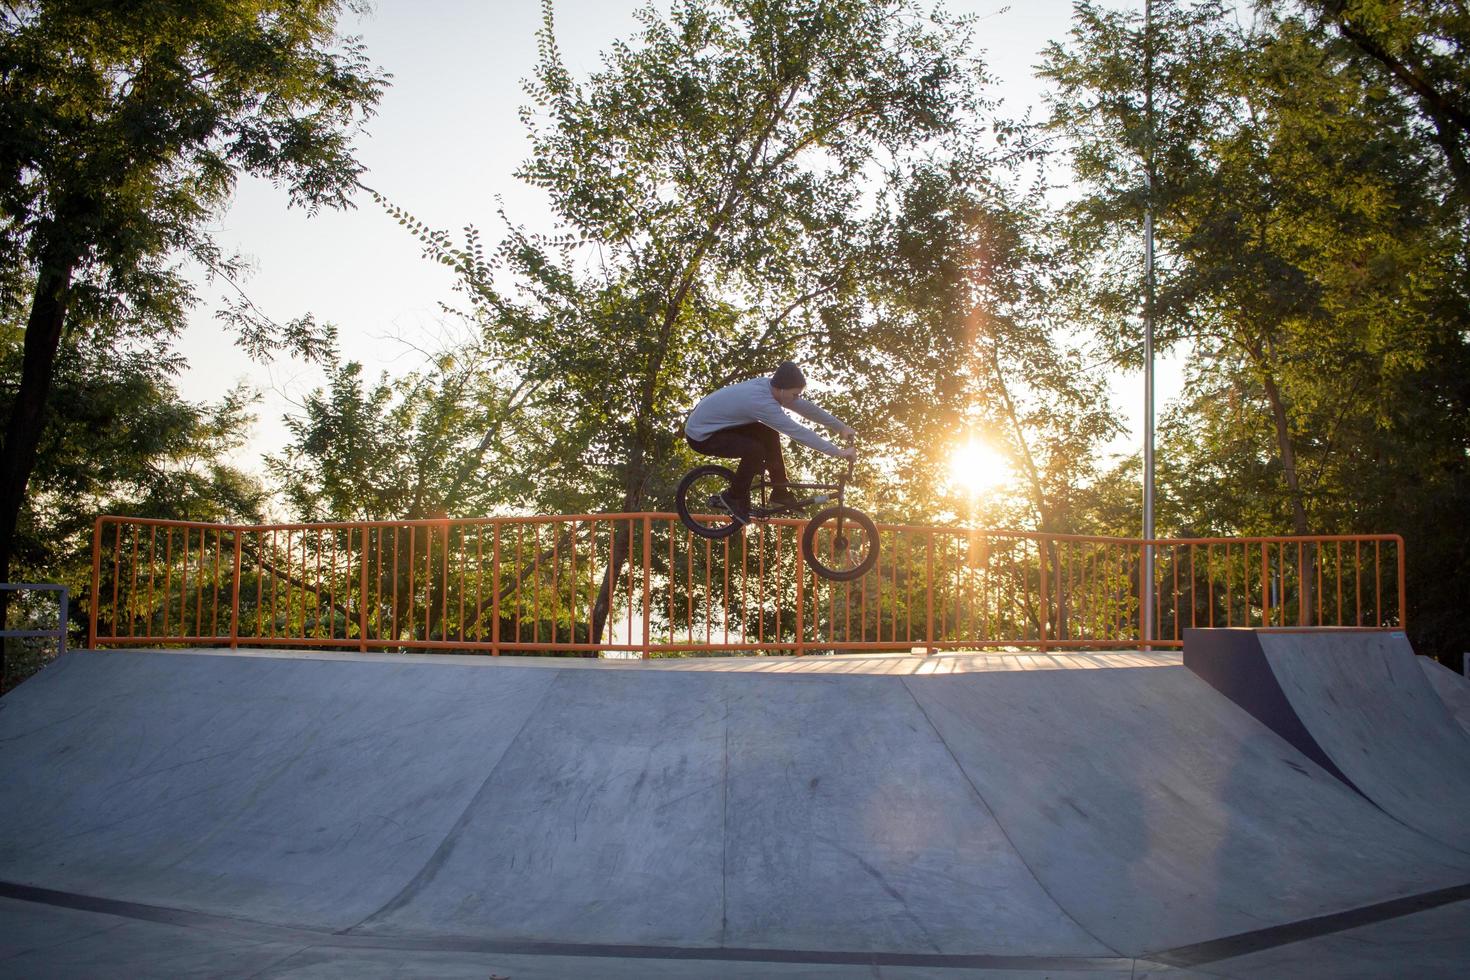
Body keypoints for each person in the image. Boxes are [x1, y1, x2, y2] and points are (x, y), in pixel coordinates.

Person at [684, 361, 856, 523]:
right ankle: (734, 497)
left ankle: (780, 491)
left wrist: (840, 427)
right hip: (702, 436)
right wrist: (837, 452)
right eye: (795, 394)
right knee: (755, 450)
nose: (796, 398)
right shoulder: (762, 403)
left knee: (769, 432)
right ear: (782, 389)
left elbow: (807, 408)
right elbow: (797, 432)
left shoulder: (770, 386)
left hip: (716, 424)